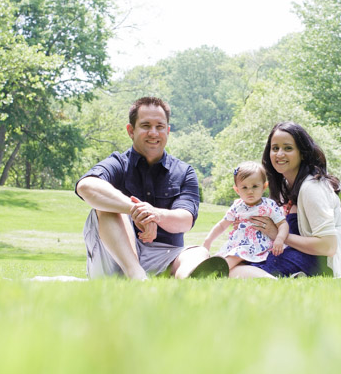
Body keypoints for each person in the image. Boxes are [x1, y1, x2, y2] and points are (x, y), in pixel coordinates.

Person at [75, 96, 228, 280]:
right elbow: (86, 186)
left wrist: (154, 214)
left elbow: (185, 220)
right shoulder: (117, 163)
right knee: (108, 206)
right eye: (146, 126)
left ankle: (189, 281)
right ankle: (136, 275)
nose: (153, 133)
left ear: (168, 130)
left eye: (160, 126)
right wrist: (133, 209)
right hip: (112, 256)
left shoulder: (184, 172)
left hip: (163, 256)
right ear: (131, 131)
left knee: (198, 253)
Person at [230, 122, 341, 278]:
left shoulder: (312, 188)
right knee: (236, 262)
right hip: (287, 252)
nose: (279, 154)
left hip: (316, 262)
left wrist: (278, 235)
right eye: (275, 148)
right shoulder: (286, 187)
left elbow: (328, 247)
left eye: (288, 148)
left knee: (235, 271)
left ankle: (276, 280)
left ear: (302, 153)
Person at [202, 161, 289, 270]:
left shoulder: (269, 205)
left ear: (264, 186)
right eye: (244, 188)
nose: (250, 191)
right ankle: (213, 268)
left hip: (259, 246)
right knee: (227, 255)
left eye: (255, 186)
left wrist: (280, 239)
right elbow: (222, 225)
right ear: (237, 190)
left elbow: (282, 223)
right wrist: (208, 240)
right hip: (238, 243)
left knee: (237, 254)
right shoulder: (237, 205)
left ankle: (217, 270)